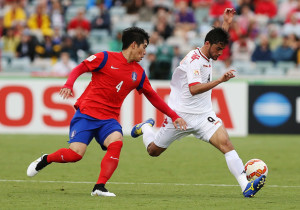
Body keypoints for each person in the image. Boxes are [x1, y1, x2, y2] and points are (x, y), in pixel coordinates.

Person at [26, 27, 186, 197]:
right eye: (144, 46)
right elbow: (80, 68)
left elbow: (153, 96)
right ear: (133, 45)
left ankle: (99, 187)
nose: (145, 51)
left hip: (109, 120)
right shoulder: (105, 57)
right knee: (75, 155)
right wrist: (68, 84)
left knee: (117, 142)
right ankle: (46, 158)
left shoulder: (138, 73)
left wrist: (174, 115)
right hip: (86, 114)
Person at [131, 8, 266, 198]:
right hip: (180, 117)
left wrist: (226, 22)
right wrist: (219, 81)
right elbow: (194, 89)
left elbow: (218, 37)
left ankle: (246, 186)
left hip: (204, 116)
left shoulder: (209, 51)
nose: (220, 54)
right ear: (207, 44)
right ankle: (145, 128)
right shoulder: (194, 60)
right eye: (218, 49)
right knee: (153, 151)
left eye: (222, 49)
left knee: (226, 144)